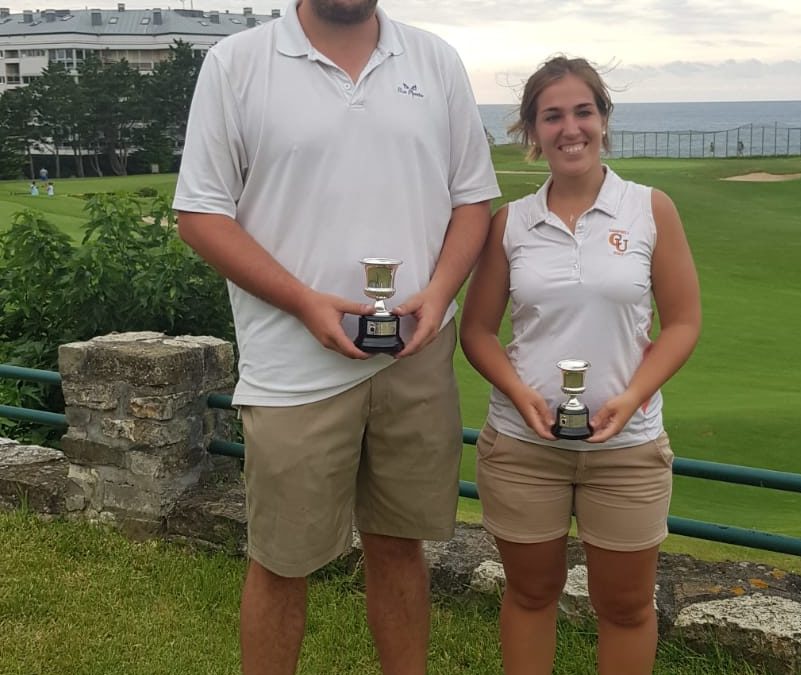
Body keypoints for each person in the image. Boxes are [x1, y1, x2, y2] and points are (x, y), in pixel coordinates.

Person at [172, 1, 500, 673]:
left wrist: (439, 295)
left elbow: (473, 198)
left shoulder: (434, 60)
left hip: (413, 358)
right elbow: (201, 214)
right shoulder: (238, 64)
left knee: (400, 548)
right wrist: (304, 301)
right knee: (280, 562)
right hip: (293, 366)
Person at [460, 56, 701, 675]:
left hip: (628, 450)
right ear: (532, 132)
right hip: (522, 446)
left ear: (603, 118)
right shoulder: (510, 223)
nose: (570, 128)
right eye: (552, 116)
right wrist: (518, 393)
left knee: (624, 606)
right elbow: (478, 332)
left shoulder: (651, 209)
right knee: (531, 594)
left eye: (583, 112)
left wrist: (634, 396)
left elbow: (682, 324)